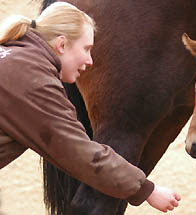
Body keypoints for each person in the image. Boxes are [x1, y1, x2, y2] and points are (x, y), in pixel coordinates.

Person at [0, 2, 180, 213]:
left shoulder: (14, 59)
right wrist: (147, 190)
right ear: (62, 45)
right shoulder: (33, 79)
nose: (90, 60)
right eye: (86, 49)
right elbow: (80, 153)